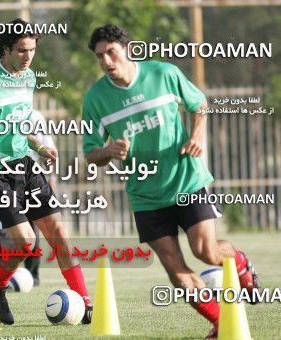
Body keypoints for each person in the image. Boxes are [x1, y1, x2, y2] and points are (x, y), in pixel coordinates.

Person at [81, 24, 260, 339]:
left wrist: (196, 136)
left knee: (205, 251)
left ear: (128, 49)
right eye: (100, 56)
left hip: (185, 181)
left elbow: (199, 104)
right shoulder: (96, 98)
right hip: (145, 195)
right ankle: (220, 323)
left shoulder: (163, 74)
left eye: (111, 52)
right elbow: (89, 154)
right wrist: (108, 150)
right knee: (175, 269)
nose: (107, 61)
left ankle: (242, 264)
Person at [0, 18, 92, 325]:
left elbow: (20, 125)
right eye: (20, 50)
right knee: (26, 243)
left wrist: (41, 148)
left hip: (26, 165)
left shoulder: (28, 77)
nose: (27, 56)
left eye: (31, 49)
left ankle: (85, 302)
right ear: (6, 49)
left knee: (60, 235)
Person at [0, 110, 58, 287]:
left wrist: (51, 180)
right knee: (2, 230)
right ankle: (3, 278)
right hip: (3, 175)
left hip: (30, 176)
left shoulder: (36, 117)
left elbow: (49, 149)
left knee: (32, 228)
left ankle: (33, 274)